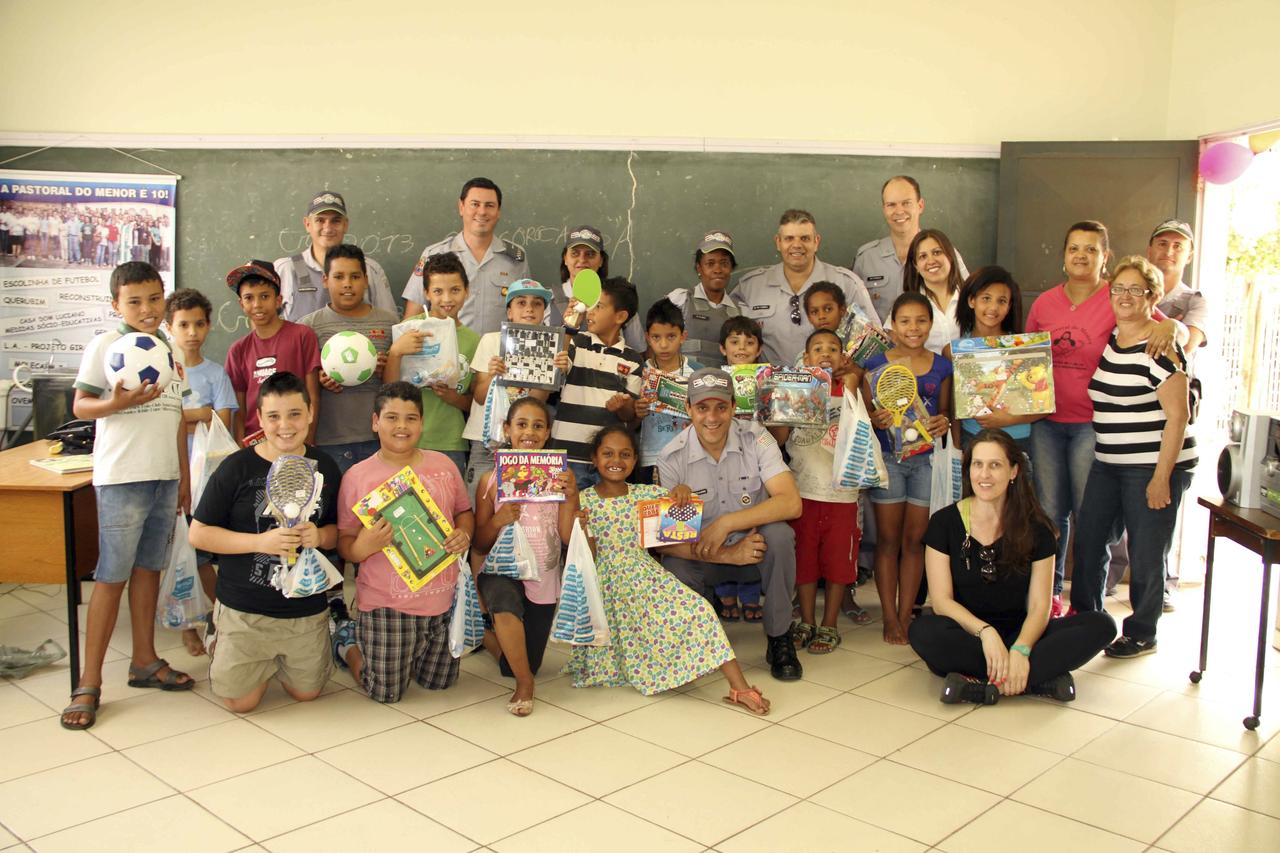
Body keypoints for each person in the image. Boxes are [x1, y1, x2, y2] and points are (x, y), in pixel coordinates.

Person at [1025, 221, 1184, 617]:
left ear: (1105, 257)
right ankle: (1053, 594)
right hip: (1046, 421)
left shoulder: (1118, 298)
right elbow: (1024, 360)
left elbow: (1164, 325)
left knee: (1089, 516)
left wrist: (1173, 324)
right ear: (1063, 256)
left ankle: (1097, 603)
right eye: (1074, 248)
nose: (1081, 255)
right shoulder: (1044, 303)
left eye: (1091, 249)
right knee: (1049, 511)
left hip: (1094, 427)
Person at [61, 262, 194, 730]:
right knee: (111, 576)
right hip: (122, 477)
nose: (146, 309)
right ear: (115, 304)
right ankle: (89, 682)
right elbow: (80, 404)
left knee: (147, 571)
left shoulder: (170, 346)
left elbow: (176, 414)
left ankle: (144, 660)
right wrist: (114, 404)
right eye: (134, 301)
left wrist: (182, 475)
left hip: (162, 476)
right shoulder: (105, 345)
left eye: (154, 298)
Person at [565, 425, 770, 714]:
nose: (616, 460)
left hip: (644, 573)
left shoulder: (648, 495)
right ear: (594, 459)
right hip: (605, 583)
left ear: (636, 460)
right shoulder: (584, 501)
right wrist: (580, 523)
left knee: (698, 608)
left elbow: (673, 539)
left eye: (625, 454)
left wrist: (680, 493)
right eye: (608, 453)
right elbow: (586, 554)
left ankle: (739, 687)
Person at [910, 429, 1116, 705]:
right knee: (923, 632)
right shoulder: (944, 523)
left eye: (995, 465)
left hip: (1024, 633)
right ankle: (1036, 680)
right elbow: (942, 601)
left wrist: (1021, 648)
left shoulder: (1037, 528)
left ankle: (980, 683)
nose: (984, 475)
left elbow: (1040, 606)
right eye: (978, 464)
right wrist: (986, 634)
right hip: (969, 633)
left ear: (1014, 472)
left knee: (1102, 624)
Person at [190, 372, 341, 712]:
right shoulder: (236, 467)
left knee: (307, 694)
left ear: (311, 413)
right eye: (273, 416)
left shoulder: (327, 467)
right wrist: (260, 542)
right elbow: (198, 533)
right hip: (245, 611)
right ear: (259, 418)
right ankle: (224, 638)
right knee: (241, 703)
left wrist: (319, 536)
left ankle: (295, 651)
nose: (285, 425)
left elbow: (337, 533)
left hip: (305, 610)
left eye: (294, 414)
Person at [1070, 257, 1197, 658]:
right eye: (1118, 289)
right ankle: (1087, 621)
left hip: (1154, 465)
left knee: (1146, 551)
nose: (1125, 297)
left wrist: (1162, 478)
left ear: (1152, 297)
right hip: (1109, 463)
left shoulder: (1162, 347)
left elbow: (1179, 416)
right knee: (1090, 541)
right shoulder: (1112, 339)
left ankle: (1142, 631)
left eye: (1135, 290)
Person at [658, 369, 805, 681]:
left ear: (734, 407)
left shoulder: (758, 438)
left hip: (754, 551)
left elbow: (791, 503)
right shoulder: (671, 457)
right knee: (674, 566)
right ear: (688, 409)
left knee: (780, 535)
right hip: (707, 556)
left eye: (721, 407)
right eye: (702, 408)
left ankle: (780, 638)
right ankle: (700, 639)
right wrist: (728, 554)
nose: (712, 418)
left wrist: (727, 523)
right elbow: (666, 543)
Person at [333, 382, 474, 702]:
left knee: (439, 684)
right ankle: (347, 643)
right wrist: (361, 548)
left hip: (442, 600)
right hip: (387, 604)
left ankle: (402, 655)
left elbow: (464, 512)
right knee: (384, 692)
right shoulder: (357, 476)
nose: (401, 426)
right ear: (375, 422)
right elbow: (344, 541)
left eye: (411, 418)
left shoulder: (444, 465)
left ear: (422, 424)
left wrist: (464, 534)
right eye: (392, 417)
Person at [471, 397, 577, 716]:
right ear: (507, 429)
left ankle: (484, 636)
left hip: (542, 576)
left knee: (516, 661)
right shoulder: (489, 480)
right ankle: (525, 684)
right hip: (500, 568)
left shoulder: (560, 477)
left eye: (537, 425)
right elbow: (478, 543)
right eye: (521, 424)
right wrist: (497, 520)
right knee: (505, 605)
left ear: (548, 433)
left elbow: (567, 535)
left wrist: (571, 497)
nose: (529, 431)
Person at [862, 293, 952, 645]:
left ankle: (905, 614)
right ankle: (888, 616)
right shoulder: (873, 365)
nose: (913, 328)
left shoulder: (942, 367)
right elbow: (864, 416)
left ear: (930, 324)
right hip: (888, 463)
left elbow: (946, 414)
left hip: (927, 463)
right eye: (904, 321)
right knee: (887, 542)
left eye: (921, 321)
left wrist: (944, 422)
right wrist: (875, 419)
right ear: (892, 326)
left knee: (915, 542)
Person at [770, 330, 868, 653]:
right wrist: (783, 403)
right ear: (806, 358)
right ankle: (807, 620)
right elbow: (781, 439)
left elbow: (864, 418)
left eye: (833, 349)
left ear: (843, 356)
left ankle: (829, 624)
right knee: (805, 561)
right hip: (804, 493)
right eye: (817, 348)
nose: (825, 353)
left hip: (843, 494)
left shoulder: (850, 384)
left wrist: (854, 377)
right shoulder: (797, 388)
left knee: (839, 563)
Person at [166, 287, 238, 656]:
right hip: (171, 473)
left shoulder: (214, 373)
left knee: (204, 554)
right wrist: (199, 415)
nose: (191, 332)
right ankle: (186, 625)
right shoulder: (163, 371)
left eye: (198, 324)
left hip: (207, 478)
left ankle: (215, 617)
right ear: (170, 328)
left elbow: (222, 419)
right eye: (183, 325)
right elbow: (167, 422)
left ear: (209, 326)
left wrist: (183, 416)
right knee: (180, 555)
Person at [1144, 219, 1208, 608]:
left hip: (1170, 412)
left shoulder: (1193, 300)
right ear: (1150, 248)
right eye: (1162, 243)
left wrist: (1170, 326)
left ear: (1188, 254)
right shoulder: (1129, 291)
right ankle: (1113, 582)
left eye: (1178, 246)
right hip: (1128, 414)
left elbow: (1192, 339)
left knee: (1161, 500)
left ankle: (1160, 583)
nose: (1169, 251)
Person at [459, 279, 566, 500]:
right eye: (521, 302)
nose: (529, 308)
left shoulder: (550, 346)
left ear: (544, 312)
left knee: (520, 506)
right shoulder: (491, 340)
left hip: (526, 441)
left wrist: (551, 371)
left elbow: (537, 403)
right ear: (509, 311)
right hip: (486, 440)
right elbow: (478, 397)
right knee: (479, 503)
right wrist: (492, 375)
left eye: (537, 303)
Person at [297, 244, 398, 475]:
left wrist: (389, 367)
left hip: (379, 439)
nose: (347, 284)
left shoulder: (389, 323)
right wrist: (318, 379)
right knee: (335, 508)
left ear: (365, 279)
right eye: (338, 276)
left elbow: (401, 383)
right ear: (325, 279)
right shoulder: (308, 327)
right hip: (329, 440)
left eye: (355, 276)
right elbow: (302, 387)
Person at [732, 209, 877, 364]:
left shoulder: (846, 283)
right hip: (768, 384)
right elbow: (728, 340)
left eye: (805, 238)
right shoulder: (751, 287)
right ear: (778, 242)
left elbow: (873, 343)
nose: (797, 245)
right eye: (789, 238)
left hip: (829, 384)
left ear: (816, 242)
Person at [401, 177, 529, 335]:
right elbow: (412, 316)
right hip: (446, 353)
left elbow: (526, 314)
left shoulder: (516, 258)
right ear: (461, 207)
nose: (482, 211)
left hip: (496, 356)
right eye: (475, 204)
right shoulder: (434, 255)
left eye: (489, 205)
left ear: (498, 212)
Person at [550, 276, 643, 488]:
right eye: (590, 305)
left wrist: (623, 405)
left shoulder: (633, 359)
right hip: (566, 455)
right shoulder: (576, 342)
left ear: (620, 316)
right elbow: (559, 365)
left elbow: (630, 415)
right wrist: (570, 327)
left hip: (606, 462)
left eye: (598, 306)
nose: (590, 312)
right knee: (567, 516)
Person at [223, 260, 322, 443]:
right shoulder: (238, 350)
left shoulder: (302, 336)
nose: (257, 304)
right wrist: (241, 450)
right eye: (249, 298)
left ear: (278, 300)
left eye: (264, 296)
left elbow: (313, 396)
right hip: (256, 444)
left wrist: (308, 443)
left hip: (295, 437)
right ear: (241, 304)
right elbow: (240, 410)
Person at [711, 316, 766, 622]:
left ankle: (750, 594)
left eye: (749, 342)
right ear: (722, 348)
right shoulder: (715, 380)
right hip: (723, 457)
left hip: (756, 457)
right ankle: (725, 592)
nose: (741, 348)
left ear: (759, 349)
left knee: (753, 524)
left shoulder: (765, 379)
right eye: (734, 342)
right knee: (723, 520)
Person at [853, 176, 969, 322]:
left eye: (906, 203)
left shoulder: (945, 254)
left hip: (935, 342)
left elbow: (969, 301)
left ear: (920, 205)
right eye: (891, 205)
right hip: (883, 343)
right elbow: (856, 312)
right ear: (884, 209)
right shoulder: (866, 258)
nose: (899, 211)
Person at [276, 190, 396, 322]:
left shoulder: (370, 269)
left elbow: (389, 322)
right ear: (307, 224)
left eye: (336, 221)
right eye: (320, 220)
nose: (328, 228)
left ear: (345, 225)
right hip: (301, 343)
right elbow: (263, 323)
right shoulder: (285, 269)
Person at [953, 266, 1036, 458]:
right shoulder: (956, 350)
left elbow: (1043, 407)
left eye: (1002, 301)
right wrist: (957, 446)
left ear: (1009, 307)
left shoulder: (1023, 347)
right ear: (971, 301)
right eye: (986, 298)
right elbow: (953, 408)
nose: (993, 307)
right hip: (973, 437)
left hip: (1018, 440)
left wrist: (1008, 419)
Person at [549, 225, 646, 353]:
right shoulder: (546, 300)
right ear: (565, 259)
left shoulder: (619, 298)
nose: (582, 260)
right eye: (575, 253)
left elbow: (637, 351)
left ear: (601, 261)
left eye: (590, 254)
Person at [634, 298, 699, 484]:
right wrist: (636, 413)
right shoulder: (639, 373)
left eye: (671, 336)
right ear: (647, 337)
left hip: (690, 456)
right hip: (651, 459)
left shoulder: (696, 373)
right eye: (656, 337)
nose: (663, 345)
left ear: (683, 336)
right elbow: (629, 423)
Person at [664, 230, 741, 368]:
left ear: (731, 268)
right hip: (681, 385)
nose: (718, 270)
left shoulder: (740, 312)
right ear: (699, 268)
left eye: (724, 263)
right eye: (710, 263)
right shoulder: (680, 301)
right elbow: (657, 345)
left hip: (722, 387)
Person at [902, 229, 965, 356]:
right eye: (923, 256)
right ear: (916, 266)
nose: (931, 261)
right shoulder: (905, 305)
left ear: (950, 257)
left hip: (970, 373)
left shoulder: (972, 298)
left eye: (937, 252)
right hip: (926, 374)